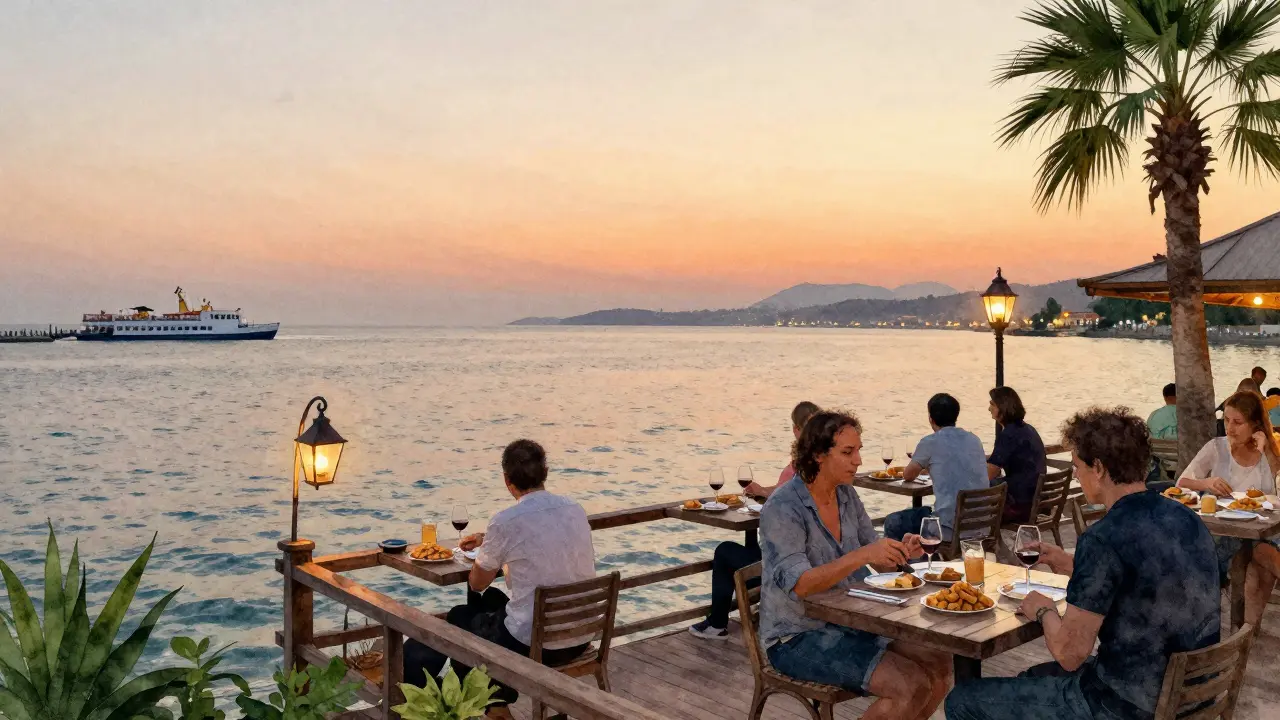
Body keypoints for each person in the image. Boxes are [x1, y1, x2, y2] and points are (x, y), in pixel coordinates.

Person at [945, 407, 1220, 720]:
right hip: (1192, 695)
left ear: (1099, 468)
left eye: (1077, 466)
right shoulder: (1187, 518)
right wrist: (1073, 565)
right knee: (1032, 678)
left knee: (963, 699)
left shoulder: (1104, 537)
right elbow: (1145, 581)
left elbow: (1070, 655)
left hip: (1124, 705)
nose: (1075, 474)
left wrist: (1043, 610)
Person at [761, 410, 951, 719]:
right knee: (909, 685)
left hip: (853, 623)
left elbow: (876, 557)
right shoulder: (783, 508)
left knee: (940, 663)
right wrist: (863, 556)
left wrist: (901, 551)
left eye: (858, 450)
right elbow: (800, 585)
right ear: (818, 455)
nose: (859, 460)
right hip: (796, 636)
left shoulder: (846, 495)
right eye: (848, 452)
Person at [402, 439, 596, 703]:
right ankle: (494, 706)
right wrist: (489, 539)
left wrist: (489, 548)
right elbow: (542, 541)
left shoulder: (506, 520)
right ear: (545, 473)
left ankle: (490, 706)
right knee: (492, 604)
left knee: (462, 616)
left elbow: (478, 582)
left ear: (507, 480)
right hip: (580, 636)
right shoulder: (575, 509)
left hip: (535, 645)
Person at [689, 400, 820, 640]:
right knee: (750, 550)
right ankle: (755, 607)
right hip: (810, 563)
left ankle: (717, 623)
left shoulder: (798, 467)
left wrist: (763, 504)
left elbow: (784, 505)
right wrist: (762, 490)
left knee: (724, 552)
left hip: (786, 567)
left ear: (796, 430)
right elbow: (786, 493)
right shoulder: (819, 467)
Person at [1180, 389, 1280, 624]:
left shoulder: (1269, 449)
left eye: (1237, 422)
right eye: (1226, 420)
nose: (1230, 428)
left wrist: (1266, 450)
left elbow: (1276, 490)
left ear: (1255, 424)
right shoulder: (1217, 447)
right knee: (1262, 561)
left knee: (1261, 562)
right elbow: (1182, 482)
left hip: (1264, 530)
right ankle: (1247, 631)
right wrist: (1207, 482)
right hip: (1225, 531)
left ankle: (1246, 631)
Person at [883, 393, 988, 543]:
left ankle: (914, 564)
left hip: (950, 528)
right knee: (927, 511)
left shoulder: (929, 442)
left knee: (893, 522)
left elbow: (908, 475)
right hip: (981, 524)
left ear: (930, 418)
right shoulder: (974, 439)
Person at [986, 387, 1046, 524]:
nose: (989, 409)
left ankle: (980, 540)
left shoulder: (1009, 435)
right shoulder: (1028, 429)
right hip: (1037, 500)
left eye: (992, 404)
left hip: (1020, 506)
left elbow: (988, 474)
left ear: (1003, 407)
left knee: (974, 495)